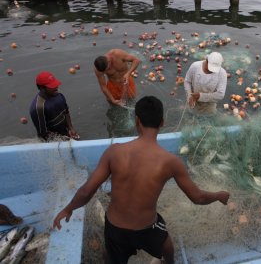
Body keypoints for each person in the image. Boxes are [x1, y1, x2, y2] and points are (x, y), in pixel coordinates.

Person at [53, 96, 230, 264]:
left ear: (136, 120)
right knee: (166, 244)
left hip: (115, 227)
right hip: (147, 228)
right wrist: (219, 195)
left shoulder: (114, 152)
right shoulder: (171, 162)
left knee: (110, 253)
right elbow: (197, 197)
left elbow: (86, 191)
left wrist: (68, 209)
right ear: (162, 123)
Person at [29, 71, 80, 141]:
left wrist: (71, 128)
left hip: (65, 133)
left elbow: (66, 112)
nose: (56, 88)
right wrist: (62, 138)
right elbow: (43, 133)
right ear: (42, 88)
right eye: (52, 86)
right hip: (52, 140)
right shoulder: (38, 108)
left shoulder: (59, 95)